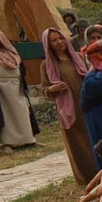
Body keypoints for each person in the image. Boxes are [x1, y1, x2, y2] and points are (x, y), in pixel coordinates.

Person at [41, 27, 97, 184]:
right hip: (68, 108)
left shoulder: (78, 57)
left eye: (60, 38)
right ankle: (86, 176)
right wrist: (52, 89)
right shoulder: (47, 65)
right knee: (78, 142)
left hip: (85, 103)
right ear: (48, 44)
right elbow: (44, 89)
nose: (59, 42)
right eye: (54, 40)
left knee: (92, 137)